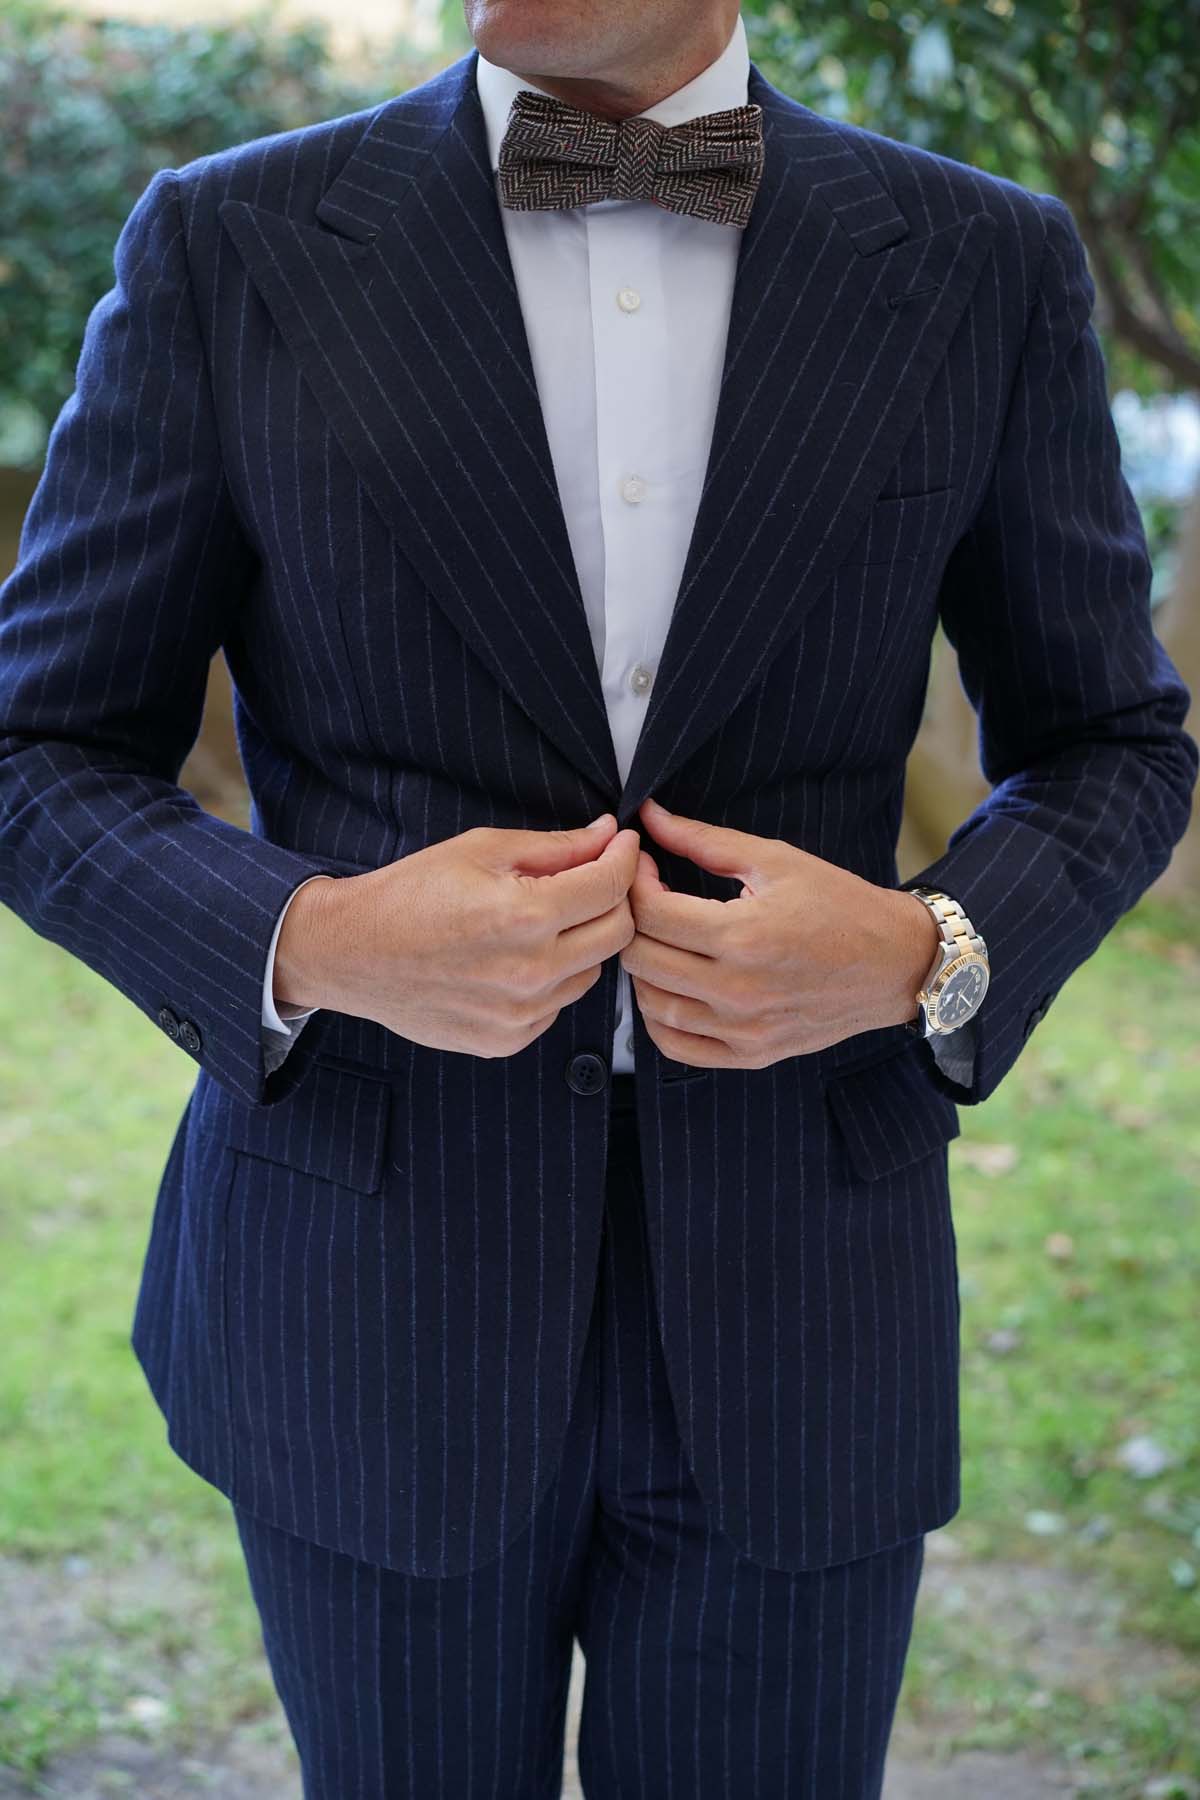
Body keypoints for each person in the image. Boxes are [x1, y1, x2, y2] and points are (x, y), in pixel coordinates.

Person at [0, 0, 1194, 1793]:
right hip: (369, 1300)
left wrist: (921, 951)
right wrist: (306, 939)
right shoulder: (227, 238)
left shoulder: (978, 259)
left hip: (808, 1306)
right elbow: (39, 750)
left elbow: (1115, 741)